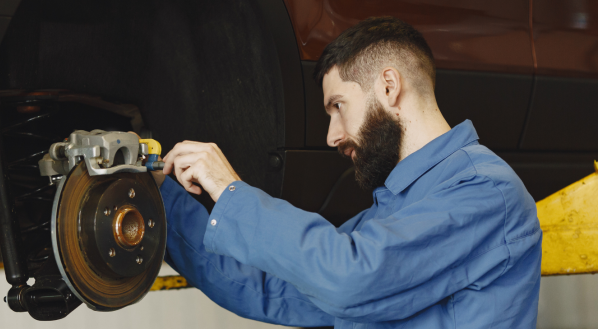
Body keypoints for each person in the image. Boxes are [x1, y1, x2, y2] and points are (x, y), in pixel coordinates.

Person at [155, 16, 541, 328]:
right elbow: (269, 287)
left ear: (388, 86)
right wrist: (159, 198)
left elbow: (351, 278)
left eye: (338, 106)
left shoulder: (486, 191)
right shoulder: (389, 214)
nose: (331, 136)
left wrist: (230, 189)